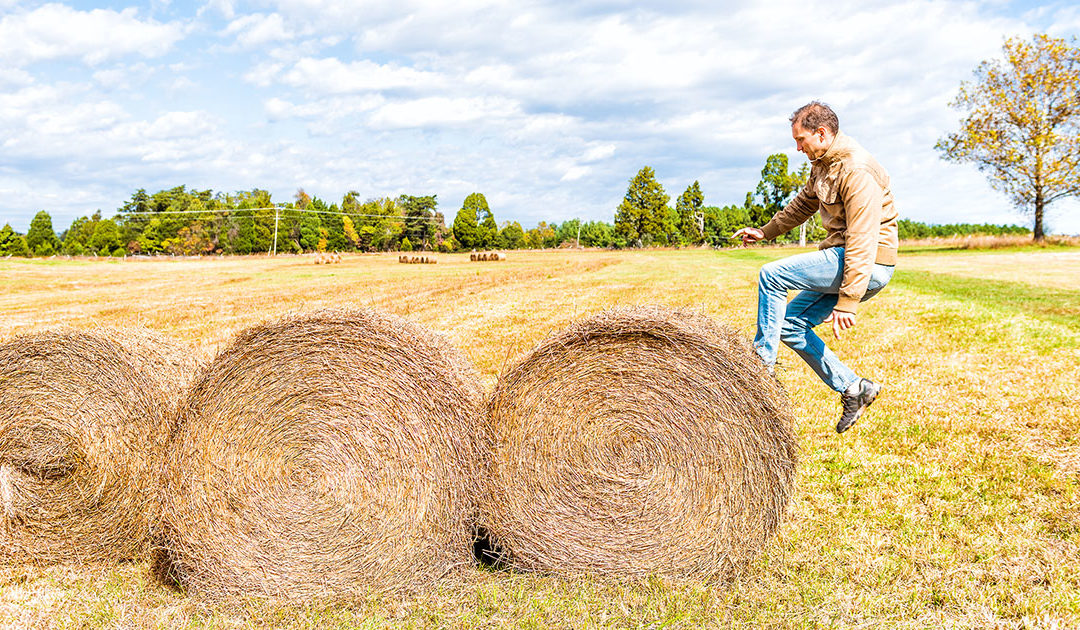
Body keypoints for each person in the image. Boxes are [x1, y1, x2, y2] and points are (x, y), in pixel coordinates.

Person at [733, 101, 898, 433]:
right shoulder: (823, 163)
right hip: (847, 258)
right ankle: (854, 388)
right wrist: (765, 232)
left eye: (801, 140)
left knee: (772, 274)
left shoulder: (856, 169)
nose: (798, 148)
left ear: (821, 133)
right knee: (791, 326)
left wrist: (848, 299)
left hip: (864, 262)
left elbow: (863, 238)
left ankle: (759, 371)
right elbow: (802, 205)